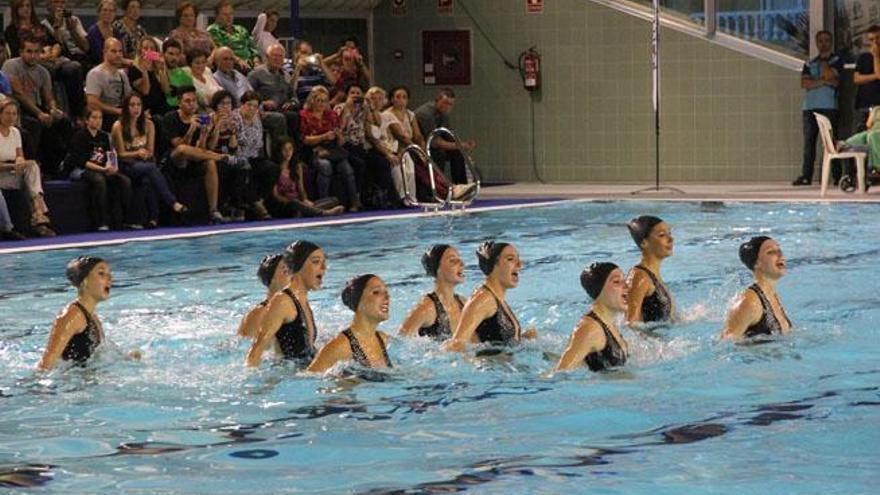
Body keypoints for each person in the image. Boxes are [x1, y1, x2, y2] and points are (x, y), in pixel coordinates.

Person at [111, 93, 187, 227]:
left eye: (139, 105)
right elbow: (120, 154)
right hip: (126, 164)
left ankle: (152, 219)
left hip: (144, 162)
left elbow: (151, 150)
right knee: (151, 169)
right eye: (132, 105)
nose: (136, 108)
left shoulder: (149, 124)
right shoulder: (118, 126)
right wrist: (137, 153)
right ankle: (172, 202)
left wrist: (146, 154)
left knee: (148, 178)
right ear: (126, 108)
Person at [163, 85, 237, 224]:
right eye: (187, 101)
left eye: (194, 101)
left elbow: (200, 150)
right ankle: (222, 157)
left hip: (193, 159)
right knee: (183, 149)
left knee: (209, 162)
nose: (191, 104)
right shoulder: (171, 117)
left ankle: (214, 210)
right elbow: (179, 146)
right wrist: (191, 129)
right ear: (180, 103)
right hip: (175, 160)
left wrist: (204, 133)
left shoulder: (200, 118)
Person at [246, 241, 326, 366]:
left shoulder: (302, 300)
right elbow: (257, 350)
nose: (323, 268)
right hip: (294, 376)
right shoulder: (283, 301)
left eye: (323, 262)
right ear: (299, 267)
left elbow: (308, 351)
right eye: (316, 262)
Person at [445, 241, 537, 351]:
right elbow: (456, 345)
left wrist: (522, 337)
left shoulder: (496, 297)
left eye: (518, 259)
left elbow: (495, 338)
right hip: (492, 367)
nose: (519, 265)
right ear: (494, 265)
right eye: (510, 259)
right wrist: (477, 364)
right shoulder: (484, 299)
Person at [1, 33, 70, 175]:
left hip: (37, 107)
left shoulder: (43, 72)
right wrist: (39, 114)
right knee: (35, 124)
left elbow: (48, 96)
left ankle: (60, 166)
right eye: (29, 51)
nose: (33, 56)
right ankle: (32, 165)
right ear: (21, 52)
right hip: (18, 108)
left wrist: (52, 109)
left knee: (64, 122)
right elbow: (19, 94)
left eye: (36, 52)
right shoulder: (11, 65)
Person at [307, 274, 393, 372]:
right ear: (359, 299)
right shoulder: (341, 346)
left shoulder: (383, 340)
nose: (387, 297)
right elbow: (308, 380)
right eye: (376, 292)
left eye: (386, 292)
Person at [37, 256, 110, 370]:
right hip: (69, 385)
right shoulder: (72, 315)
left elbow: (100, 356)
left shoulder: (93, 317)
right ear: (84, 281)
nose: (109, 278)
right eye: (101, 273)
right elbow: (46, 364)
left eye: (109, 273)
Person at [556, 262, 629, 372]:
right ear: (599, 290)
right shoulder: (590, 328)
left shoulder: (608, 324)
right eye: (617, 282)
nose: (627, 286)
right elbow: (560, 373)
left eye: (625, 280)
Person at [793, 31, 844, 186]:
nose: (824, 44)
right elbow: (805, 84)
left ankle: (837, 176)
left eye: (827, 40)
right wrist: (823, 81)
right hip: (810, 108)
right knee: (809, 143)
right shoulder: (809, 63)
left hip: (829, 107)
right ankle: (806, 175)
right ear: (816, 43)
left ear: (831, 42)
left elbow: (834, 80)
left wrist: (823, 68)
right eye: (820, 41)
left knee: (830, 143)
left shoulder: (836, 60)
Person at [69, 107, 132, 231]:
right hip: (80, 169)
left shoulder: (103, 136)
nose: (98, 121)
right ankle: (101, 221)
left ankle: (125, 219)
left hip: (101, 168)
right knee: (99, 180)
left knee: (125, 181)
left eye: (100, 118)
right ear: (87, 120)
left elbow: (109, 155)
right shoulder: (79, 136)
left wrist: (112, 167)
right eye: (94, 118)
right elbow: (82, 162)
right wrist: (102, 170)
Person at [299, 85, 361, 211]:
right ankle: (324, 203)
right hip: (314, 149)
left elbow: (341, 141)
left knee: (347, 168)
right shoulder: (304, 115)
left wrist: (339, 136)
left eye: (324, 101)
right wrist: (324, 136)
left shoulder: (331, 115)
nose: (321, 104)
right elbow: (305, 139)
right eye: (319, 100)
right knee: (325, 166)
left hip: (333, 149)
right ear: (312, 101)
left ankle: (355, 202)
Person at [0, 99, 56, 237]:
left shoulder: (15, 132)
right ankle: (13, 226)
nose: (11, 117)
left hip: (13, 172)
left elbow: (20, 155)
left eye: (14, 114)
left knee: (32, 166)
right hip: (2, 174)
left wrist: (20, 161)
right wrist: (13, 165)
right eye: (7, 113)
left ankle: (38, 211)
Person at [721, 236, 793, 340]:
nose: (780, 255)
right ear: (757, 263)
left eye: (779, 250)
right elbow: (724, 344)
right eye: (771, 252)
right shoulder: (750, 302)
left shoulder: (772, 295)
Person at [399, 244, 466, 340]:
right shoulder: (426, 308)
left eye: (459, 259)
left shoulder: (463, 303)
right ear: (438, 269)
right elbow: (399, 343)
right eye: (453, 261)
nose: (462, 264)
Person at [414, 87, 476, 185]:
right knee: (440, 154)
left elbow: (448, 135)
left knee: (458, 152)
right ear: (437, 100)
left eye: (450, 104)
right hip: (421, 146)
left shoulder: (443, 114)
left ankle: (461, 185)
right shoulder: (426, 114)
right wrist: (460, 145)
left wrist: (462, 145)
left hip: (431, 144)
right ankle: (438, 186)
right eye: (445, 103)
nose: (447, 107)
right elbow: (435, 142)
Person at [270, 137, 343, 217]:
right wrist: (289, 201)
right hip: (286, 205)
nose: (288, 152)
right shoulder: (274, 168)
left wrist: (305, 200)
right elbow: (275, 195)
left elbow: (301, 188)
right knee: (294, 203)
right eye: (284, 149)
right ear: (279, 151)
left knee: (334, 200)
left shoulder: (296, 166)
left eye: (290, 149)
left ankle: (306, 211)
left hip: (299, 202)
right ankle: (324, 213)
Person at [625, 215, 675, 325]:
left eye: (669, 234)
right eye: (662, 235)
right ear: (644, 243)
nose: (671, 239)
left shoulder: (654, 276)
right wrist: (655, 342)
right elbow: (630, 324)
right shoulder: (639, 276)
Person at [237, 253, 288, 339]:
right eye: (285, 271)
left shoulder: (298, 307)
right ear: (272, 279)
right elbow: (242, 346)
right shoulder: (257, 315)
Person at [85, 38, 132, 131]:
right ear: (105, 52)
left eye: (120, 51)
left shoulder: (122, 74)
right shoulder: (95, 74)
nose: (118, 54)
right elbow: (92, 102)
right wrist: (117, 111)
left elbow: (128, 97)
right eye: (114, 51)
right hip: (104, 116)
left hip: (121, 113)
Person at [207, 0, 259, 72]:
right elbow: (220, 49)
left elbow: (253, 47)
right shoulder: (213, 29)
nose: (229, 17)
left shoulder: (241, 29)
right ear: (217, 16)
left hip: (251, 64)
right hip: (233, 65)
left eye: (231, 14)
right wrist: (238, 60)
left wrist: (256, 61)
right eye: (225, 14)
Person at [127, 36, 170, 118]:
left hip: (161, 107)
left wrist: (162, 70)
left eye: (152, 48)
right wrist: (145, 70)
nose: (149, 51)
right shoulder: (134, 69)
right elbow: (145, 91)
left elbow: (166, 90)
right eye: (145, 48)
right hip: (146, 109)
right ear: (140, 51)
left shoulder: (157, 68)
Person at [41, 0, 89, 64]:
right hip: (59, 57)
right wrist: (57, 25)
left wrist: (73, 31)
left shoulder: (74, 20)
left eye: (63, 2)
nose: (60, 5)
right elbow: (57, 45)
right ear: (49, 5)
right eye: (56, 2)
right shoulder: (43, 25)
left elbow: (86, 47)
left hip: (78, 55)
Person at [854, 25, 880, 134]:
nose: (875, 42)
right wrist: (874, 76)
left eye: (877, 38)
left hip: (878, 106)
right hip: (863, 104)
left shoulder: (876, 56)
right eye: (871, 39)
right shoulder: (863, 57)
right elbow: (856, 78)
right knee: (861, 136)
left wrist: (876, 56)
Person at [162, 39, 193, 109]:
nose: (174, 58)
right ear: (163, 54)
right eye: (171, 54)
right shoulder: (157, 72)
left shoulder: (186, 76)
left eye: (177, 54)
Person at [86, 0, 116, 68]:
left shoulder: (116, 31)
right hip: (98, 67)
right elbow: (98, 56)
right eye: (105, 10)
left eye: (111, 11)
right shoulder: (93, 31)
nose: (108, 13)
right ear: (99, 12)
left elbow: (121, 52)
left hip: (115, 65)